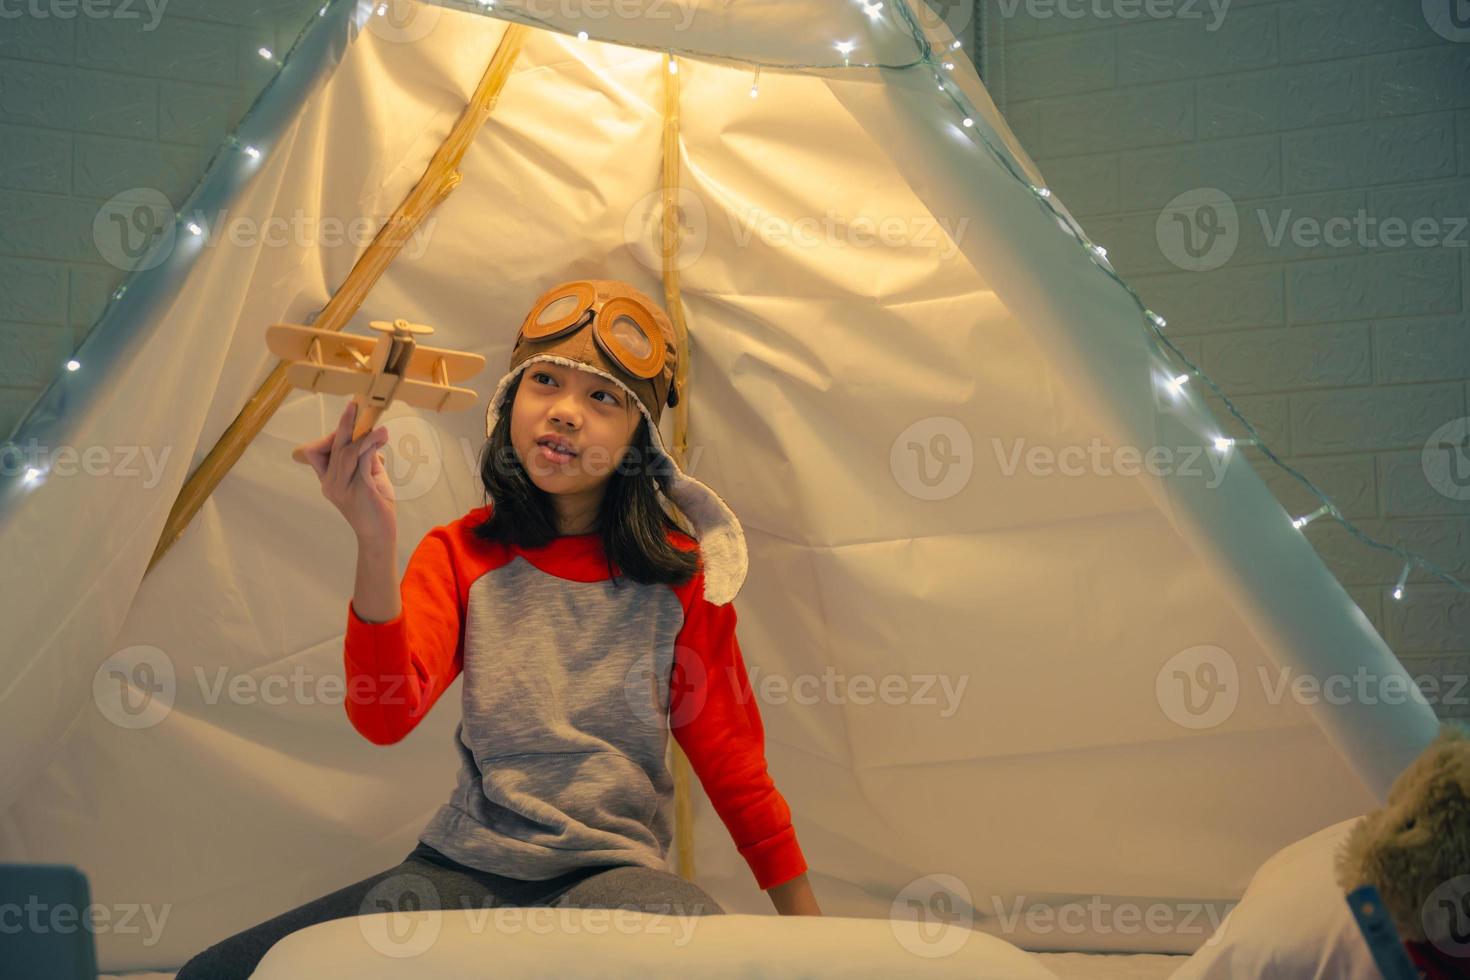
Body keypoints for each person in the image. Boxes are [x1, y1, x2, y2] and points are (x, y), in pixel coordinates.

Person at [174, 279, 819, 979]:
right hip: (462, 868)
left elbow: (734, 765)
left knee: (708, 966)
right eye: (544, 381)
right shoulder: (461, 553)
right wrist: (373, 540)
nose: (565, 412)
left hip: (613, 876)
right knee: (219, 974)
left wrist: (815, 937)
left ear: (641, 435)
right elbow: (384, 717)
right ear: (510, 400)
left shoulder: (683, 579)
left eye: (602, 397)